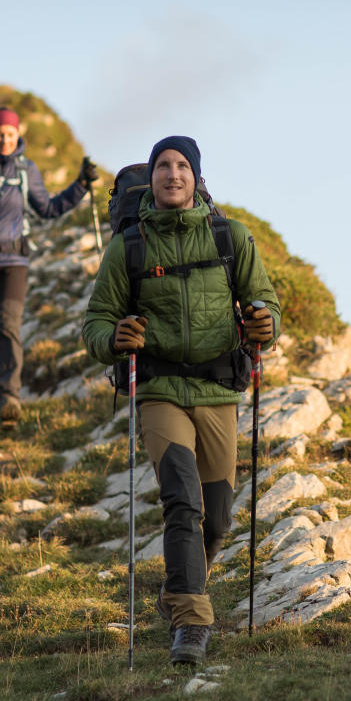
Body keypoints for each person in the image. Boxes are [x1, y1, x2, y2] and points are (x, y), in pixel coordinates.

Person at [82, 136, 280, 665]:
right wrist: (114, 337)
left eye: (183, 166)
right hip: (160, 391)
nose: (173, 174)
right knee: (182, 499)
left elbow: (266, 302)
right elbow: (96, 321)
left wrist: (266, 322)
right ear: (151, 178)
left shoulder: (230, 237)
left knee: (216, 518)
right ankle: (191, 623)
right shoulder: (130, 246)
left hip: (217, 390)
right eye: (163, 167)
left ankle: (180, 589)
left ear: (197, 177)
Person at [0, 106, 98, 423]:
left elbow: (49, 208)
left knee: (8, 328)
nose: (4, 140)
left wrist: (80, 184)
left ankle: (9, 399)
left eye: (10, 134)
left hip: (13, 261)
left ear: (18, 133)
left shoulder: (26, 171)